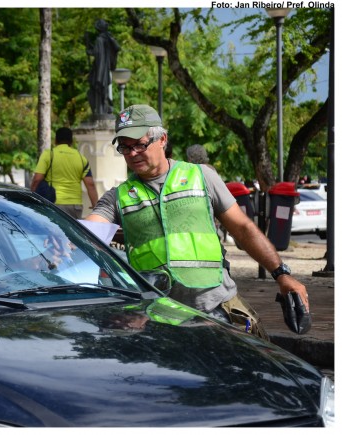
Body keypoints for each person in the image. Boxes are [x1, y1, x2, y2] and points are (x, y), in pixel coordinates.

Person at [84, 104, 309, 339]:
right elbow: (88, 232)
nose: (132, 154)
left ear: (162, 139)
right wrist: (60, 241)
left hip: (217, 309)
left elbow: (243, 228)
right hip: (157, 320)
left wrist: (281, 274)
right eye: (125, 147)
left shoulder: (201, 176)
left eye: (139, 144)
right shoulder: (117, 196)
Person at [30, 127, 99, 219]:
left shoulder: (49, 155)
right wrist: (95, 206)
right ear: (71, 142)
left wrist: (31, 198)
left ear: (55, 140)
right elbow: (90, 185)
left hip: (53, 204)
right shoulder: (81, 158)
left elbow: (37, 180)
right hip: (75, 206)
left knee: (53, 232)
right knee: (71, 233)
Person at [84, 19, 121, 118]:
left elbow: (96, 53)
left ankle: (101, 110)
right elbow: (114, 49)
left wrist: (89, 49)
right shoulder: (107, 38)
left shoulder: (100, 39)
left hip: (99, 69)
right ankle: (103, 109)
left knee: (97, 89)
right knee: (101, 89)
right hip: (104, 69)